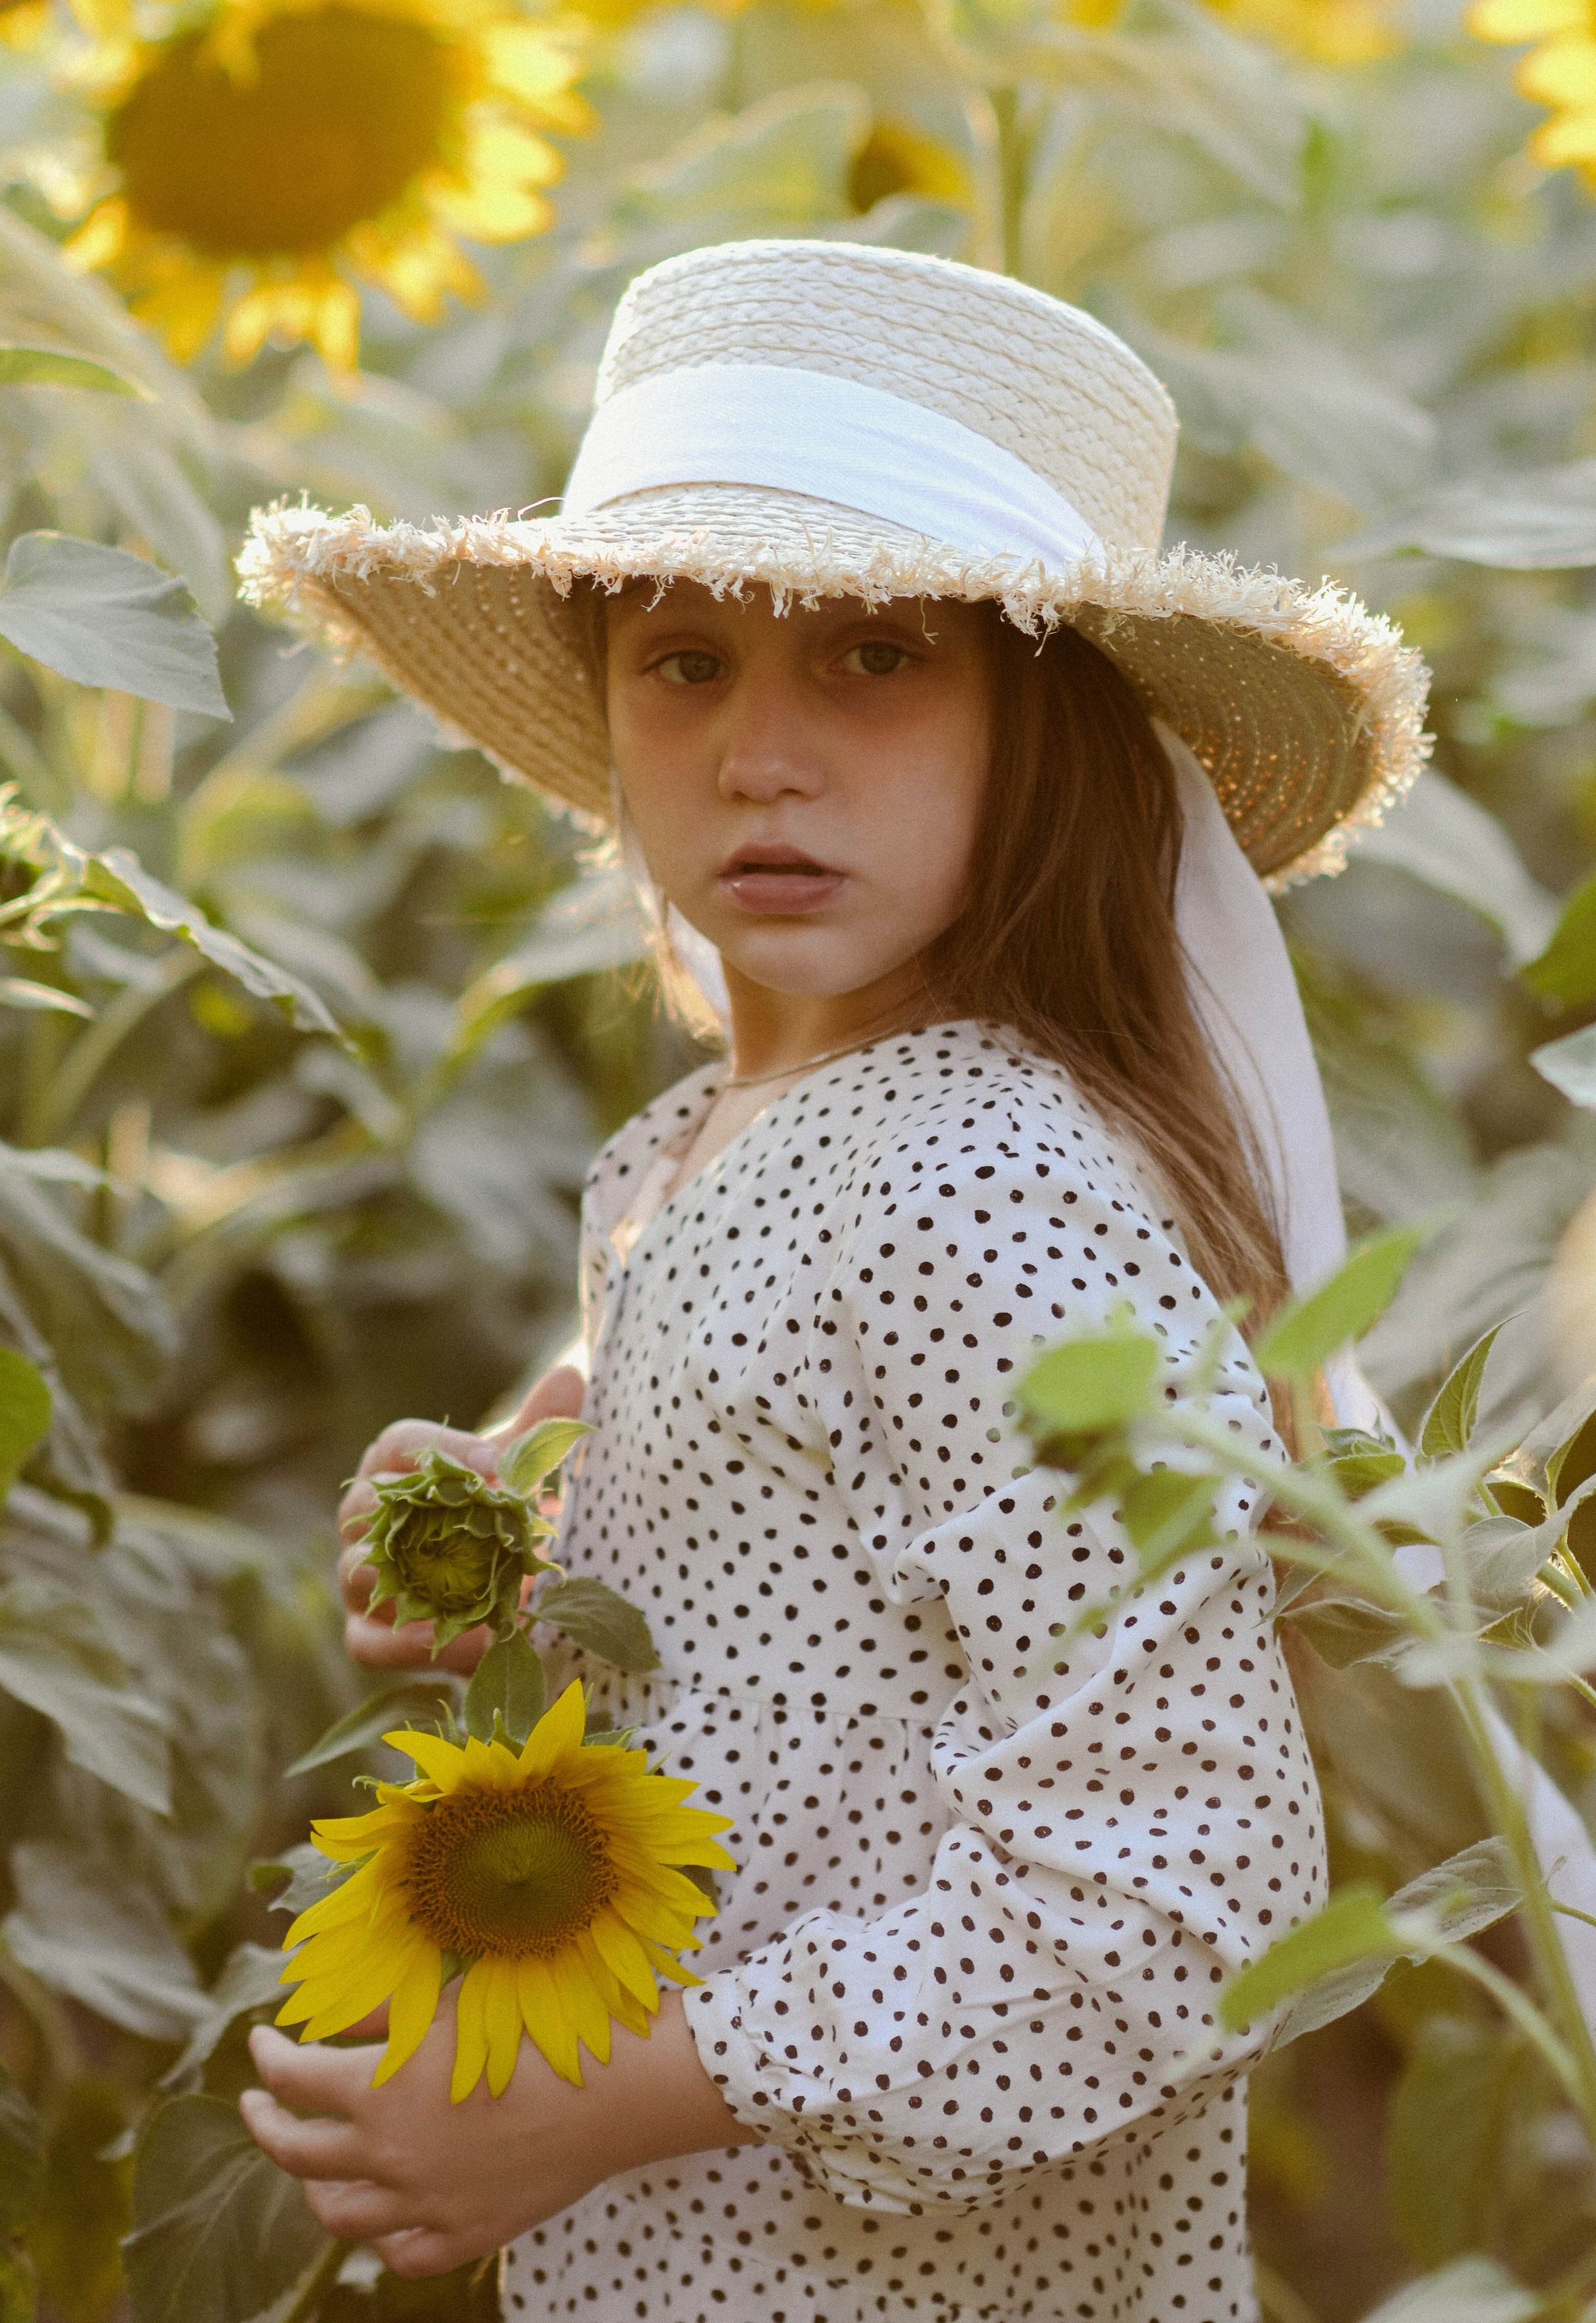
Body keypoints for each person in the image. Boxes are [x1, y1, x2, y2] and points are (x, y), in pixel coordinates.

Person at [236, 238, 1431, 2322]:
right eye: (684, 659)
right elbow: (805, 1598)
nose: (760, 752)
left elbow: (1179, 1888)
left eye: (875, 654)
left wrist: (591, 2106)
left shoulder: (980, 1189)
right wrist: (527, 1528)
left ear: (1042, 723)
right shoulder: (698, 1143)